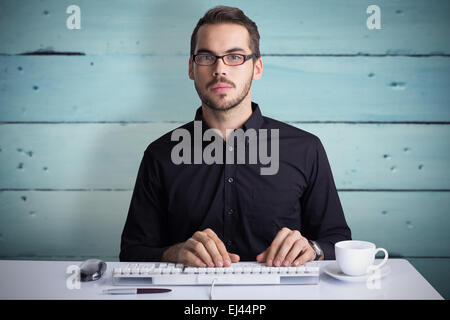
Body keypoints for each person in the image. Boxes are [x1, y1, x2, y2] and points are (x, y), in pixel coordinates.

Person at [120, 5, 351, 268]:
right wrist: (174, 253)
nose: (220, 69)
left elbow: (337, 240)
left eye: (235, 57)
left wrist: (313, 248)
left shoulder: (306, 148)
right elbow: (132, 252)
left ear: (257, 68)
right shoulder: (160, 154)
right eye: (207, 57)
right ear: (191, 68)